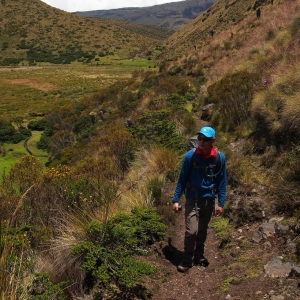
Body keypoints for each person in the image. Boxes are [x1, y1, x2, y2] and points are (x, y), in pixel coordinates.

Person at [172, 126, 227, 272]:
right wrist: (175, 199)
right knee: (191, 231)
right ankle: (186, 259)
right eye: (199, 138)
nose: (201, 142)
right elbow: (182, 179)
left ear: (213, 140)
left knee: (202, 229)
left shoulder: (219, 158)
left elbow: (222, 182)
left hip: (209, 199)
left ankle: (199, 254)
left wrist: (220, 203)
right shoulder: (190, 156)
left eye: (205, 139)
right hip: (192, 198)